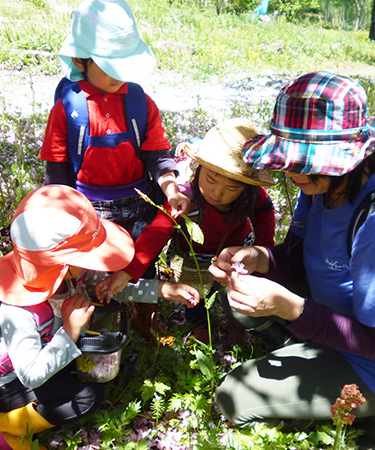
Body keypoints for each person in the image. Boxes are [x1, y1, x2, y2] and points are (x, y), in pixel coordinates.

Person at [209, 72, 375, 430]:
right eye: (289, 160)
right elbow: (299, 257)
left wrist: (287, 306)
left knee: (232, 399)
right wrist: (258, 258)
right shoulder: (321, 186)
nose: (291, 172)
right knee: (238, 299)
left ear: (350, 159)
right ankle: (308, 356)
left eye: (303, 163)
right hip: (337, 317)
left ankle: (341, 406)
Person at [0, 185, 197, 450]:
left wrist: (164, 289)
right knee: (87, 396)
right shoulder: (19, 307)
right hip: (10, 383)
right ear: (59, 265)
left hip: (52, 355)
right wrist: (70, 331)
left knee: (97, 369)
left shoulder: (73, 274)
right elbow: (30, 374)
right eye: (85, 255)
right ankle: (7, 428)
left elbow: (110, 288)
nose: (92, 263)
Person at [96, 118, 276, 342]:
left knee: (234, 288)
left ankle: (237, 322)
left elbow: (265, 214)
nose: (217, 193)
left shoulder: (252, 195)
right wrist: (128, 272)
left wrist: (263, 249)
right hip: (192, 256)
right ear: (198, 168)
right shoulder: (184, 197)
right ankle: (200, 325)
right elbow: (156, 233)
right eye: (210, 179)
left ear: (246, 186)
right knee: (194, 295)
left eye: (231, 187)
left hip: (235, 252)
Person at [39, 0, 190, 240]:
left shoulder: (140, 103)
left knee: (138, 262)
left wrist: (172, 190)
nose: (119, 75)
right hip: (87, 209)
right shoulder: (67, 108)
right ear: (79, 61)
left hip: (140, 206)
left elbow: (158, 158)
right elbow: (56, 174)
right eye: (110, 66)